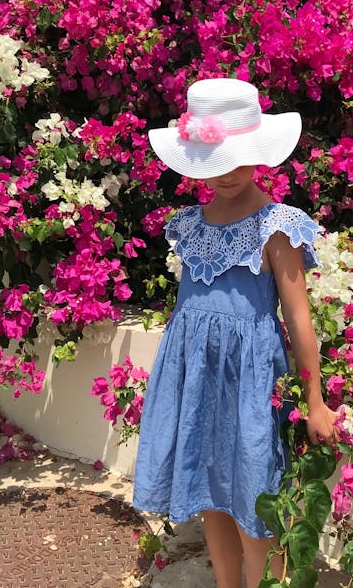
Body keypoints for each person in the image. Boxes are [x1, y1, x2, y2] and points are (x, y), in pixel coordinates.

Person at [133, 78, 338, 588]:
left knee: (254, 502)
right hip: (196, 379)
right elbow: (193, 314)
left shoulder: (276, 227)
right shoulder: (190, 225)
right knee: (210, 495)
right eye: (213, 159)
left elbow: (298, 317)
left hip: (248, 384)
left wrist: (315, 400)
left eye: (237, 158)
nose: (225, 173)